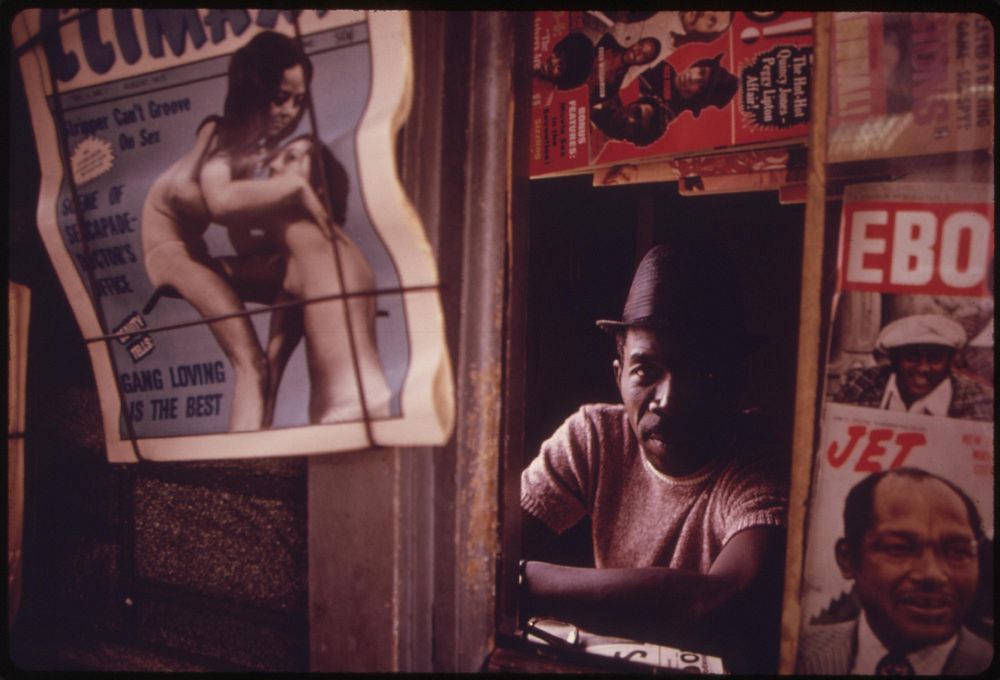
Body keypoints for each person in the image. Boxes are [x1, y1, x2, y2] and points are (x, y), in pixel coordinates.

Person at [519, 244, 789, 672]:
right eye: (646, 370)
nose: (669, 399)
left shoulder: (757, 456)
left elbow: (721, 602)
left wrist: (520, 582)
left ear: (734, 384)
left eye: (700, 372)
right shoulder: (595, 437)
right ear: (618, 375)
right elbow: (486, 545)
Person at [142, 31, 323, 431]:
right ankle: (245, 452)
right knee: (249, 363)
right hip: (172, 253)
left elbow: (240, 235)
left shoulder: (248, 149)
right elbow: (208, 198)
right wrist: (286, 189)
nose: (290, 111)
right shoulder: (221, 136)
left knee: (296, 276)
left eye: (298, 100)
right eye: (280, 97)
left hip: (194, 251)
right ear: (255, 92)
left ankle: (273, 371)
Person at [796, 468, 992, 675]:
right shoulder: (794, 652)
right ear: (847, 559)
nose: (932, 574)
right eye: (898, 548)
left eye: (957, 551)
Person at [261, 134, 392, 424]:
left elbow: (224, 205)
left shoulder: (306, 236)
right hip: (371, 404)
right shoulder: (334, 248)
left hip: (344, 411)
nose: (274, 166)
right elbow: (272, 360)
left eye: (291, 158)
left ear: (318, 187)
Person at [832, 314, 993, 421]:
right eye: (912, 357)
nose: (923, 367)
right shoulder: (860, 385)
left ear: (950, 362)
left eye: (934, 358)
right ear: (893, 360)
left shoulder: (977, 400)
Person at [637, 53, 739, 119]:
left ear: (697, 99)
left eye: (701, 86)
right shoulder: (665, 68)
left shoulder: (663, 115)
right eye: (701, 71)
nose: (693, 78)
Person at [587, 34, 661, 104]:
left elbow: (584, 101)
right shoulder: (607, 40)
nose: (637, 52)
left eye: (644, 55)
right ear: (637, 42)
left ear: (643, 63)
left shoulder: (613, 88)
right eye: (641, 45)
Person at [589, 95, 671, 147]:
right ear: (634, 103)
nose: (629, 120)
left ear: (633, 139)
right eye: (636, 112)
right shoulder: (606, 89)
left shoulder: (594, 149)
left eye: (636, 129)